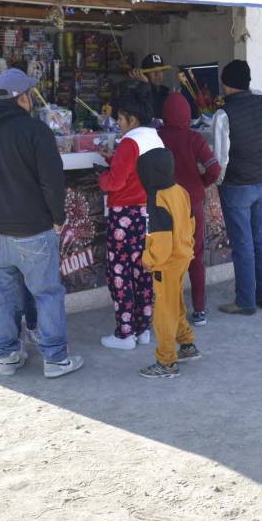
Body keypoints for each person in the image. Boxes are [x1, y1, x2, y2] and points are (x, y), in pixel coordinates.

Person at [0, 68, 84, 379]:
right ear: (22, 98)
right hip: (34, 230)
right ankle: (54, 359)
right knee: (47, 293)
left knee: (3, 295)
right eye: (29, 94)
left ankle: (8, 357)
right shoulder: (35, 131)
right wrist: (57, 218)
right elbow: (53, 182)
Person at [211, 60, 262, 315]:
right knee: (261, 242)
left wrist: (217, 182)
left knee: (243, 245)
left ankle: (245, 302)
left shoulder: (223, 115)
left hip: (237, 185)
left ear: (225, 84)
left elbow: (220, 158)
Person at [96, 97, 160, 349]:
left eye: (120, 119)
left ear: (132, 119)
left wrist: (103, 177)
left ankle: (124, 334)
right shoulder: (155, 138)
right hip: (147, 214)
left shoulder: (130, 142)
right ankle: (143, 329)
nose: (118, 124)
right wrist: (115, 161)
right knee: (142, 273)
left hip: (124, 216)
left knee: (120, 274)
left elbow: (114, 183)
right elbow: (136, 172)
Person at [135, 146, 202, 378]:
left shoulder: (157, 199)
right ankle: (187, 345)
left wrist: (148, 259)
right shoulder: (180, 190)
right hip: (183, 257)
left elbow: (161, 241)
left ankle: (166, 362)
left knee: (164, 312)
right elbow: (192, 222)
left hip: (166, 264)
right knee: (176, 304)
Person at [157, 92, 221, 327]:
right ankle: (199, 310)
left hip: (164, 204)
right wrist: (199, 185)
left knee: (166, 257)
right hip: (192, 203)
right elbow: (214, 170)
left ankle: (170, 308)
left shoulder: (156, 137)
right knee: (195, 255)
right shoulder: (195, 139)